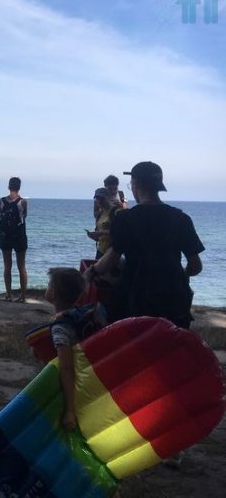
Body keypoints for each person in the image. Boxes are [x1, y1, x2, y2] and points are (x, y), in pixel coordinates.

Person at [86, 162, 204, 327]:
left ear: (135, 184)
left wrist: (91, 271)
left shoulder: (125, 218)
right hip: (175, 301)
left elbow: (112, 257)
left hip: (136, 299)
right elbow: (196, 266)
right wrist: (180, 276)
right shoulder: (181, 218)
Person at [45, 267, 91, 432]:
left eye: (49, 285)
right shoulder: (80, 314)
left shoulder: (61, 328)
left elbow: (66, 368)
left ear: (53, 293)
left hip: (77, 381)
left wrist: (70, 410)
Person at [0, 177, 28, 302]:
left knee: (7, 265)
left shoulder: (1, 201)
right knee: (21, 266)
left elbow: (0, 216)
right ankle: (23, 296)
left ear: (9, 186)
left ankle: (9, 294)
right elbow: (24, 216)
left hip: (5, 236)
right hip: (19, 236)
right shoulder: (23, 202)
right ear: (19, 187)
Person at [87, 187, 119, 259]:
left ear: (109, 198)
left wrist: (101, 233)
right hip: (100, 251)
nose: (100, 201)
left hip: (112, 252)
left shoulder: (116, 212)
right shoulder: (100, 213)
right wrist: (94, 236)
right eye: (97, 198)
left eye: (102, 198)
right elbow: (100, 237)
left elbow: (119, 233)